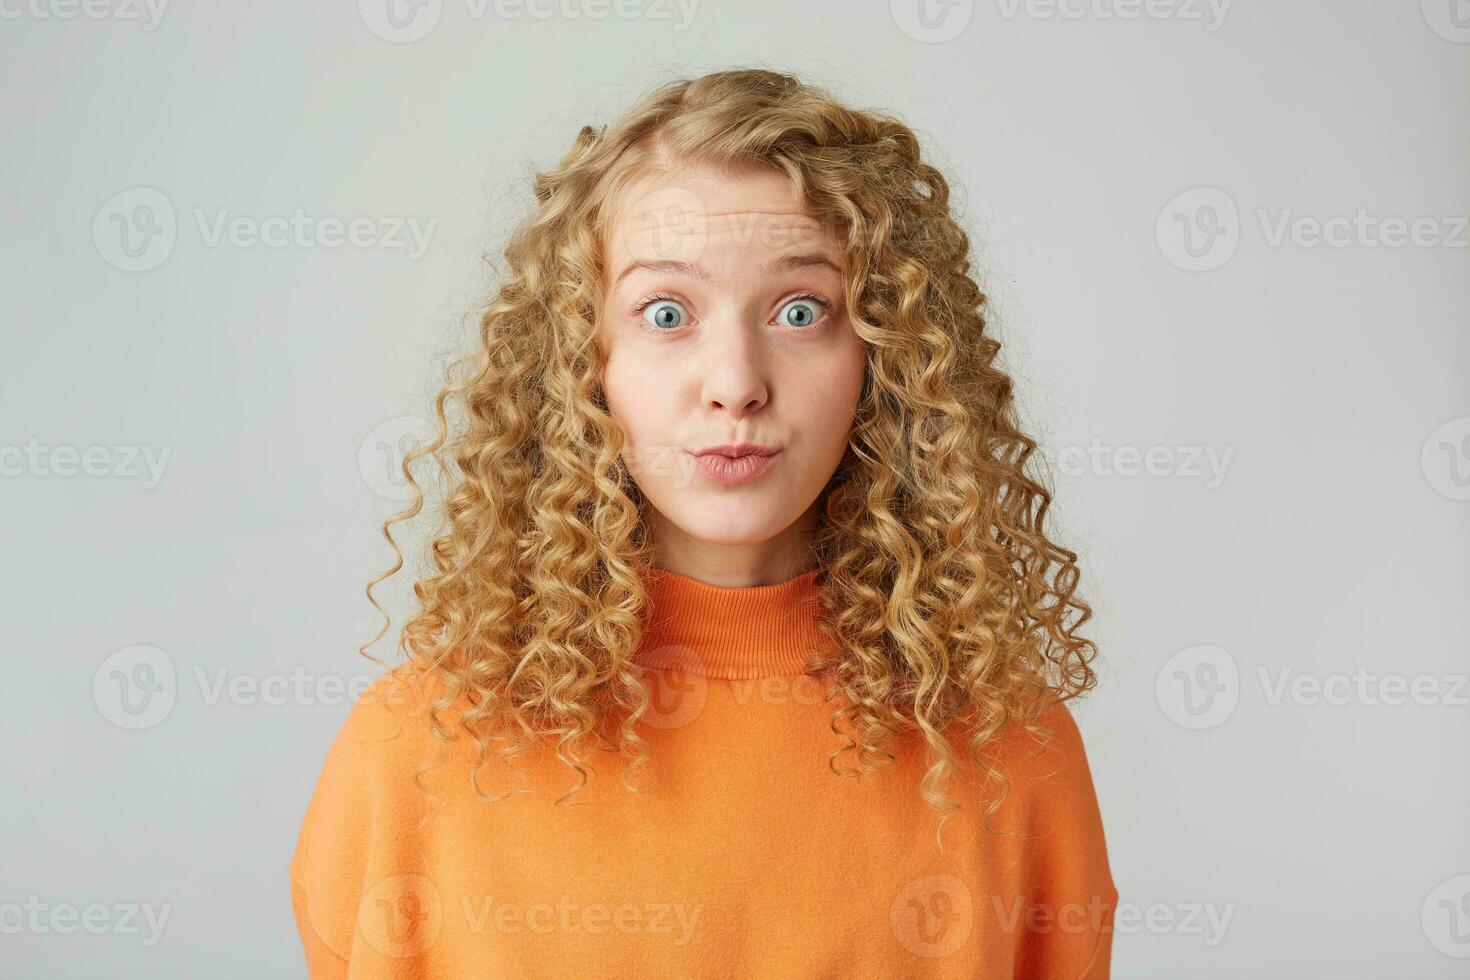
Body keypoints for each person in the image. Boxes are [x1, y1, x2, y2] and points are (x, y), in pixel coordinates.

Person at [290, 67, 1117, 978]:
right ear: (581, 361)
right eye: (667, 313)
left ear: (887, 360)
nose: (736, 381)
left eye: (801, 312)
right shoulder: (418, 749)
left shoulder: (1007, 747)